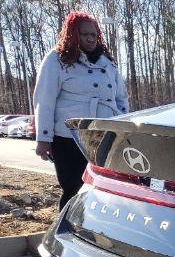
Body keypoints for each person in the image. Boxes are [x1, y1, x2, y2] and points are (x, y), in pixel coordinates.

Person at [34, 11, 129, 208]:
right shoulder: (57, 59)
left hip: (105, 136)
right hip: (70, 138)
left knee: (104, 190)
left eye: (93, 34)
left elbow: (121, 99)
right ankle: (67, 232)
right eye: (84, 34)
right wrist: (43, 139)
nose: (90, 38)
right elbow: (44, 100)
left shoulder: (108, 62)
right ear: (72, 34)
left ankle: (99, 230)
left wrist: (123, 128)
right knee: (73, 189)